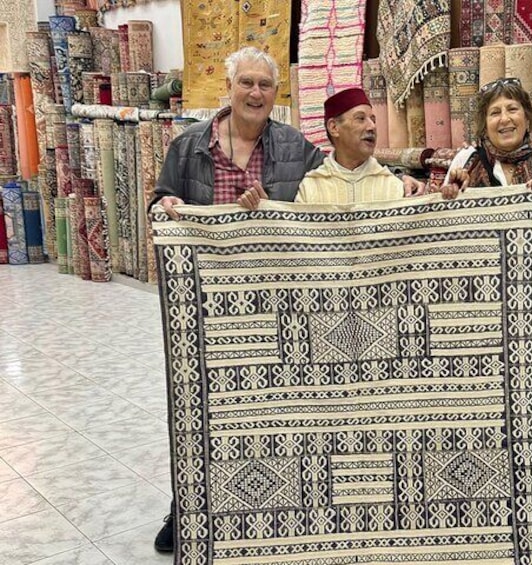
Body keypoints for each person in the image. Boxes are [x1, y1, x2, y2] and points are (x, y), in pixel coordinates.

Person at [151, 48, 423, 553]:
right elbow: (161, 201)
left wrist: (406, 184)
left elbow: (348, 176)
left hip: (274, 301)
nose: (256, 93)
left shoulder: (294, 146)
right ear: (228, 87)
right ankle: (185, 505)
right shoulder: (188, 147)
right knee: (200, 402)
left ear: (277, 96)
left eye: (266, 86)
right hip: (209, 298)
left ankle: (269, 505)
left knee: (263, 407)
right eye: (247, 83)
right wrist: (166, 206)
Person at [441, 77, 532, 375]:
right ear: (484, 123)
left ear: (527, 117)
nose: (504, 119)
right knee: (477, 396)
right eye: (494, 112)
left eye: (512, 109)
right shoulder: (465, 162)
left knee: (527, 393)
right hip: (475, 305)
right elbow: (446, 240)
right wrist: (451, 198)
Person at [296, 87, 403, 203]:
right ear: (334, 127)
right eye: (360, 119)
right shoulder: (312, 187)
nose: (372, 126)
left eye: (373, 120)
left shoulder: (392, 186)